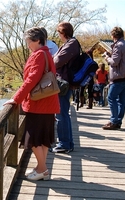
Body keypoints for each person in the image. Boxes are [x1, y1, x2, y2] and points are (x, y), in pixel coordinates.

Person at [3, 27, 60, 180]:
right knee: (43, 138)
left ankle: (42, 169)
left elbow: (31, 80)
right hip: (47, 102)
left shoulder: (39, 55)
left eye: (28, 41)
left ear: (36, 40)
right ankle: (40, 168)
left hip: (38, 104)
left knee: (33, 138)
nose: (27, 44)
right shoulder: (47, 53)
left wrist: (16, 99)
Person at [50, 22, 80, 153]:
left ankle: (64, 144)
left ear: (63, 32)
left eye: (59, 32)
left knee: (60, 113)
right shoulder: (71, 43)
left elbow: (57, 62)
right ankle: (68, 143)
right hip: (64, 82)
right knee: (62, 113)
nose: (58, 35)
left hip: (64, 83)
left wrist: (51, 59)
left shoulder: (71, 44)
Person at [102, 27, 125, 130]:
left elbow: (114, 62)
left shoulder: (118, 46)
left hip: (119, 76)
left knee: (111, 97)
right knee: (121, 100)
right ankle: (118, 121)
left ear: (114, 36)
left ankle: (114, 121)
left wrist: (107, 57)